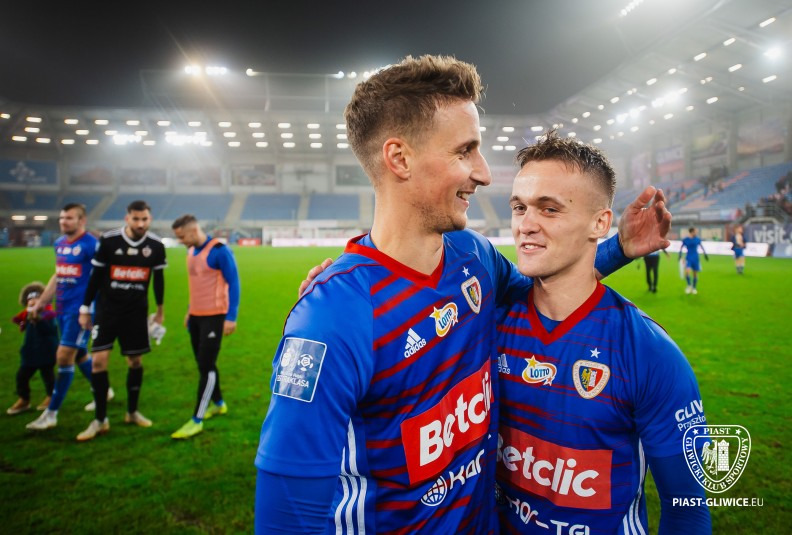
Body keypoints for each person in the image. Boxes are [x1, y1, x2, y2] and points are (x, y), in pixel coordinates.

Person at [254, 55, 671, 534]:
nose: (485, 173)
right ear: (399, 158)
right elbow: (288, 516)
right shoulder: (333, 317)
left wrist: (618, 247)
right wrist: (323, 308)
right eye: (465, 151)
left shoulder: (473, 255)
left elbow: (536, 290)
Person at [496, 131, 710, 533]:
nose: (526, 225)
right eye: (519, 207)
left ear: (600, 222)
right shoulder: (491, 321)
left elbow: (687, 509)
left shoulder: (649, 352)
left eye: (549, 209)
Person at [76, 200, 167, 441]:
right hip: (107, 311)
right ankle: (100, 419)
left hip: (136, 313)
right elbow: (95, 277)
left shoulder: (156, 246)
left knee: (135, 361)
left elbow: (158, 280)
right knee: (98, 362)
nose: (140, 224)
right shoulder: (109, 241)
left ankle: (132, 412)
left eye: (144, 219)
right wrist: (85, 308)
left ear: (150, 219)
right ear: (127, 218)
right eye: (136, 219)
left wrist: (160, 310)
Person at [26, 203, 115, 431]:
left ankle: (51, 414)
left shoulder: (92, 245)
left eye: (69, 218)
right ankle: (104, 391)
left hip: (81, 310)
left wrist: (95, 309)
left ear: (81, 221)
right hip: (62, 308)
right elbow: (58, 274)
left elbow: (104, 277)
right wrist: (42, 303)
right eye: (62, 218)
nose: (63, 222)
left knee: (64, 356)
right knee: (79, 354)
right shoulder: (59, 244)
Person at [170, 214, 240, 439]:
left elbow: (234, 282)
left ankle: (196, 420)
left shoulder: (219, 251)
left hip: (215, 316)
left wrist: (231, 317)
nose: (180, 241)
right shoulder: (190, 251)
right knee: (203, 364)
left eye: (182, 236)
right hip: (196, 317)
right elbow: (197, 284)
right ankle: (219, 403)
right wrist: (189, 310)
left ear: (193, 231)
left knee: (206, 365)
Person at [7, 282, 58, 415]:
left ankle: (51, 397)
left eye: (36, 298)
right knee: (21, 376)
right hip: (30, 352)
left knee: (48, 377)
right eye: (30, 299)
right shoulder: (27, 315)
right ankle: (24, 399)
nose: (32, 301)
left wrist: (38, 320)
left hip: (46, 352)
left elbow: (50, 331)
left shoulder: (48, 314)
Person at [680, 227, 708, 294]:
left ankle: (694, 288)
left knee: (695, 274)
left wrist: (705, 254)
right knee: (687, 272)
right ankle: (689, 285)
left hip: (695, 258)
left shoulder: (697, 239)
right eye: (695, 231)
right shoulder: (686, 240)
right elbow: (681, 247)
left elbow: (701, 247)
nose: (696, 233)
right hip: (688, 257)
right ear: (692, 232)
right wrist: (680, 256)